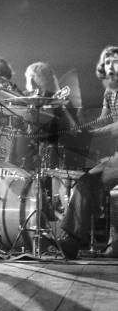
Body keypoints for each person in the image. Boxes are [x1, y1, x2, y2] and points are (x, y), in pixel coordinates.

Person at [59, 46, 118, 258]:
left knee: (91, 182)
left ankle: (73, 239)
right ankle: (72, 240)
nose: (111, 66)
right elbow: (105, 119)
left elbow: (115, 127)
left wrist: (88, 135)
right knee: (86, 182)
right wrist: (82, 127)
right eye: (108, 62)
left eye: (115, 61)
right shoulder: (110, 92)